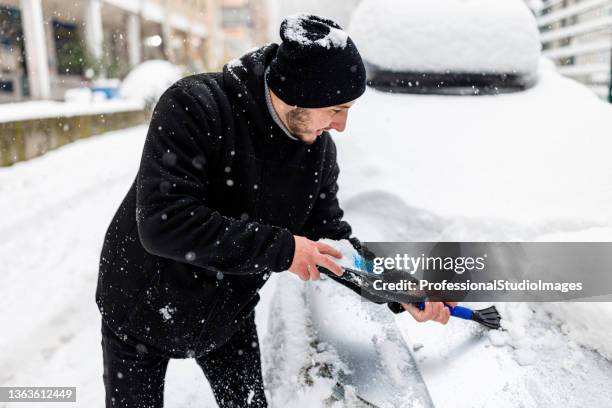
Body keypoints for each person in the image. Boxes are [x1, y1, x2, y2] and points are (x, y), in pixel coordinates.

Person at [96, 13, 453, 408]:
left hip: (227, 314)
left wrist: (396, 287)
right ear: (298, 94)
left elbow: (329, 238)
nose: (341, 125)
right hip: (140, 310)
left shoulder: (317, 153)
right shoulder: (195, 106)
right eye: (336, 109)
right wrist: (283, 250)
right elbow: (164, 222)